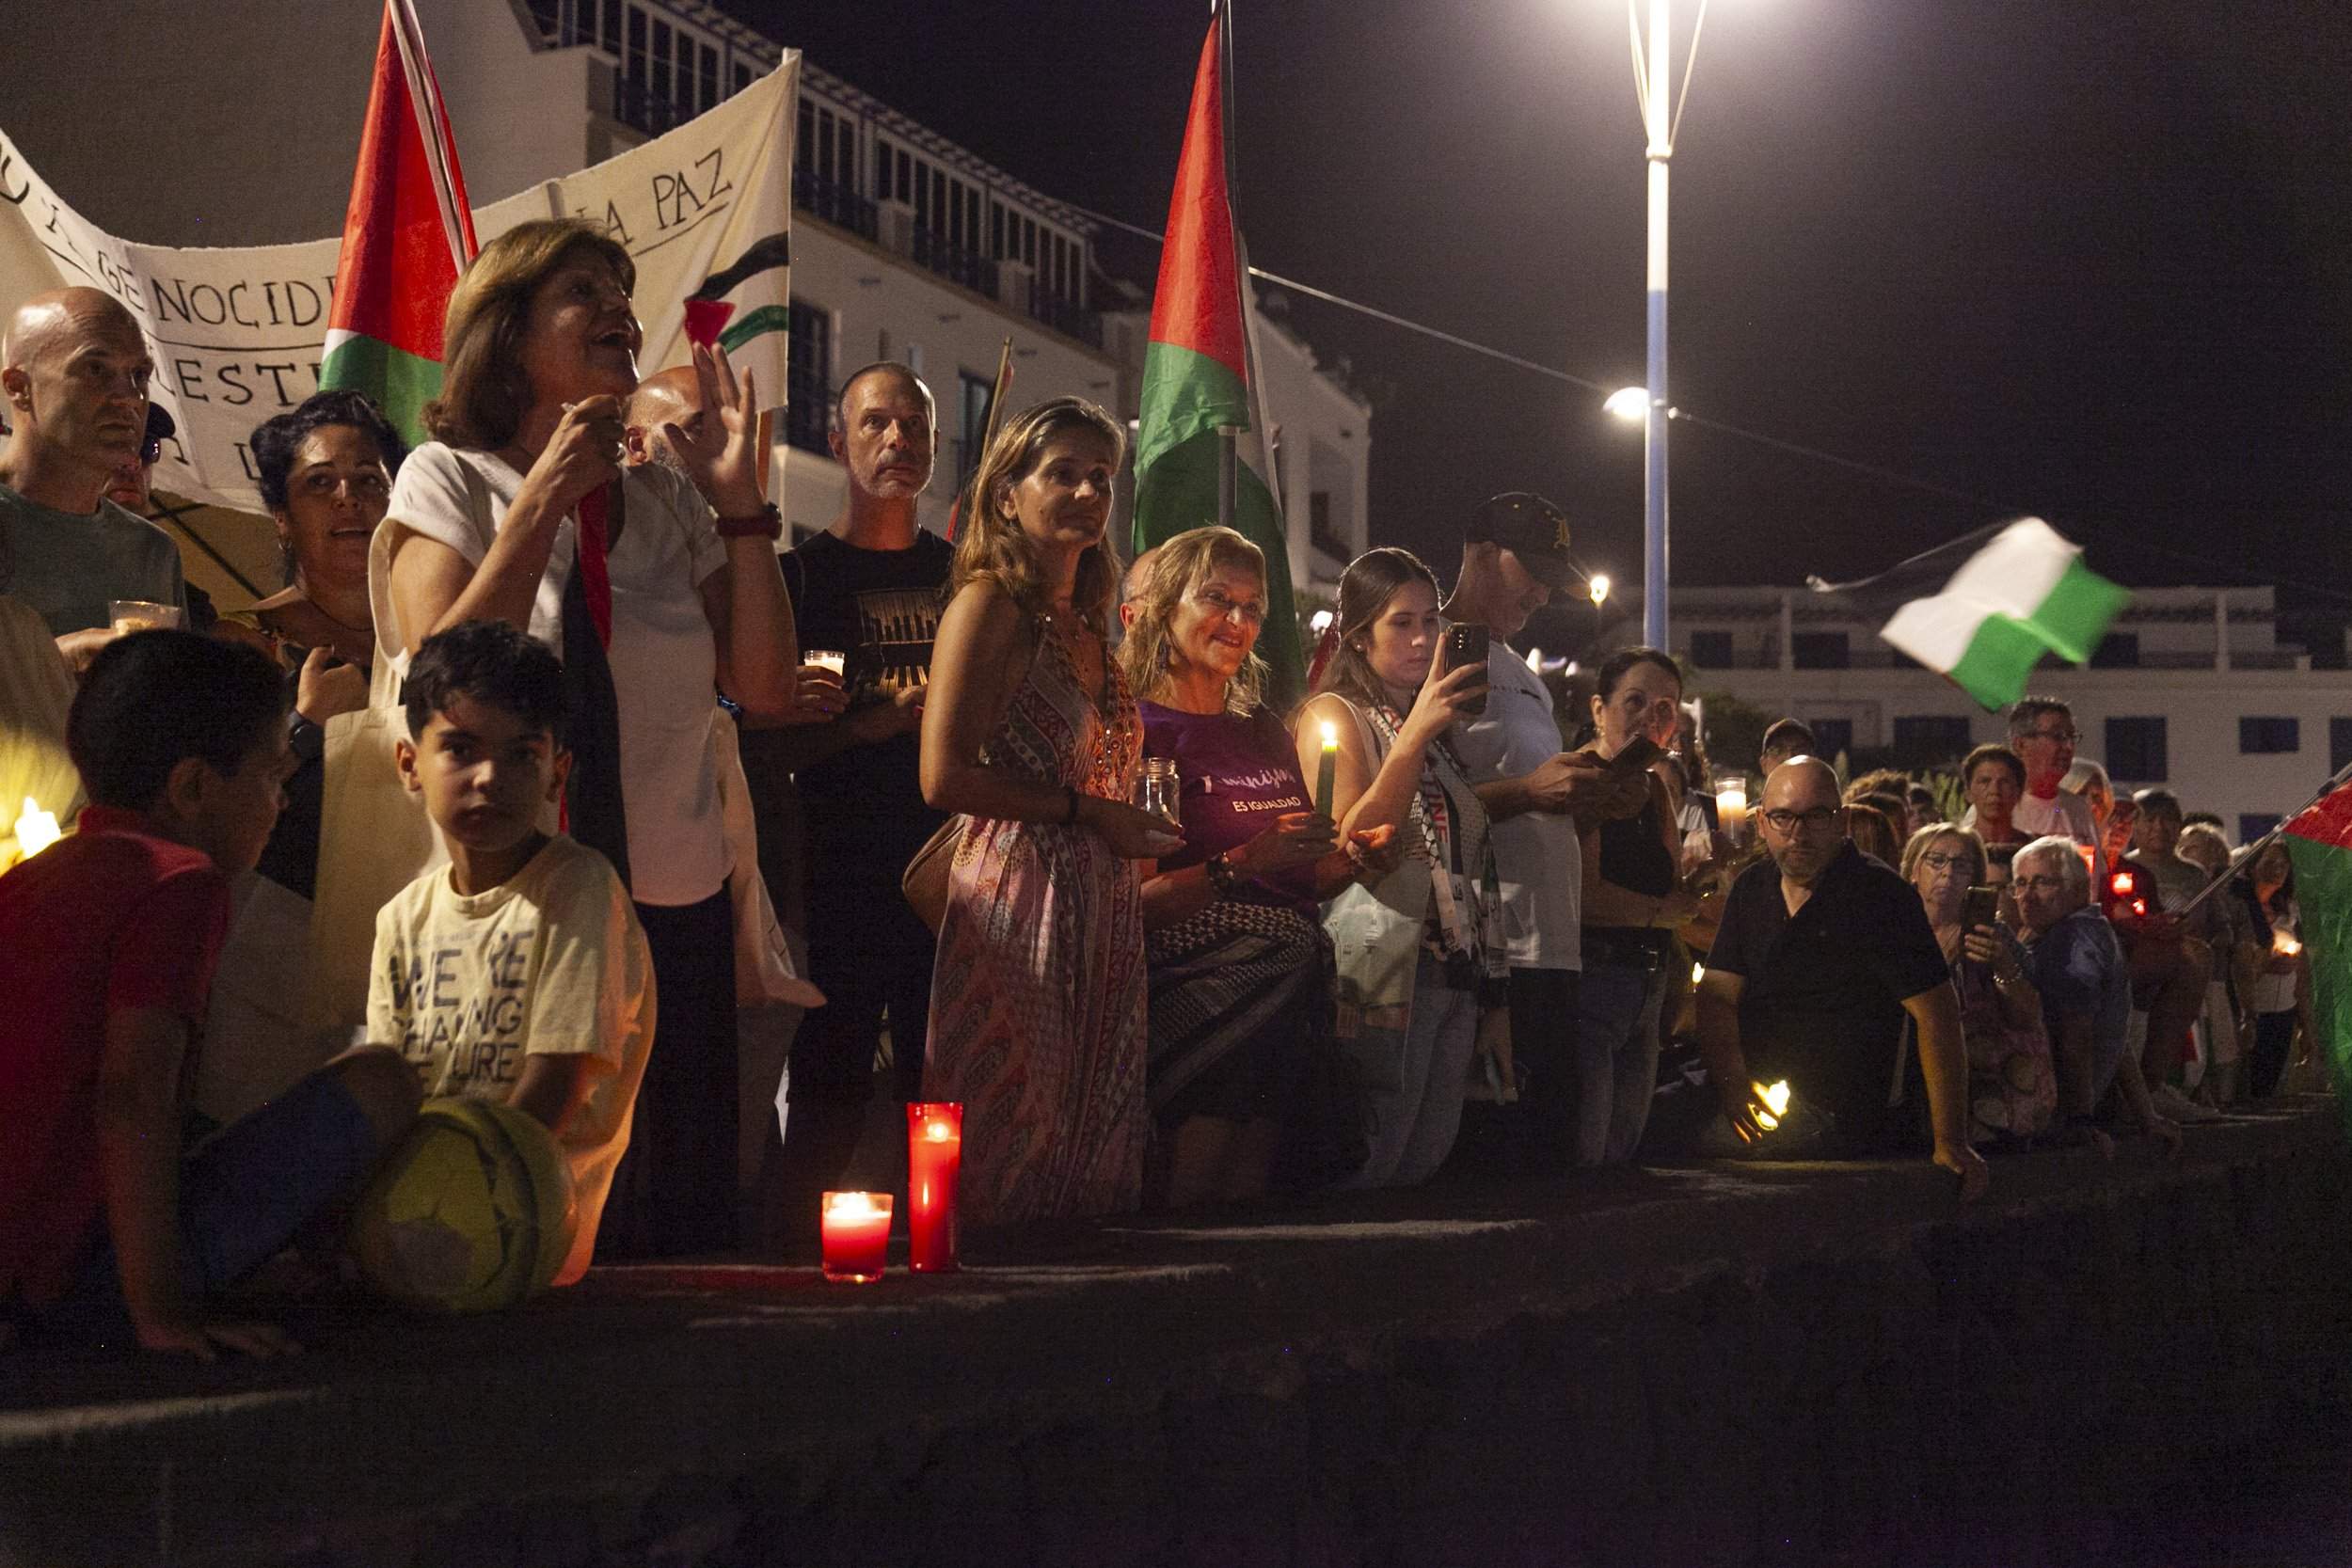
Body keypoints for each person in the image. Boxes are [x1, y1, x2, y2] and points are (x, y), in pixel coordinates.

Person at [377, 217, 795, 1257]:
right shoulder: (447, 477)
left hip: (672, 890)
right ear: (510, 334)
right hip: (533, 900)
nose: (621, 308)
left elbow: (766, 685)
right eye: (583, 290)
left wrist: (739, 507)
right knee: (545, 1194)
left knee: (684, 1201)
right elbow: (450, 675)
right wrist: (542, 500)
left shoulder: (662, 497)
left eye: (623, 286)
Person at [0, 631, 418, 1356]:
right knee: (382, 1080)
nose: (281, 802)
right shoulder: (178, 883)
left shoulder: (32, 877)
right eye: (270, 776)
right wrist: (161, 1314)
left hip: (20, 1270)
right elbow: (133, 1095)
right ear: (194, 788)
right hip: (68, 1287)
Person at [920, 397, 1175, 1223]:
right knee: (1017, 1127)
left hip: (1101, 902)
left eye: (1100, 477)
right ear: (1006, 494)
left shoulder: (1093, 628)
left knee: (1092, 1129)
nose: (1086, 492)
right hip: (1018, 894)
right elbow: (943, 776)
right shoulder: (989, 604)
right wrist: (1083, 811)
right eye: (1060, 473)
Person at [369, 621, 654, 1286]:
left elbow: (557, 1081)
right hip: (417, 1216)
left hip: (524, 1231)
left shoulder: (578, 887)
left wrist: (438, 1197)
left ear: (558, 773)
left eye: (520, 754)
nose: (489, 777)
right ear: (410, 763)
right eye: (461, 749)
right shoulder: (401, 919)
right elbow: (390, 1090)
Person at [1122, 526, 1400, 1204]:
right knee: (1193, 1195)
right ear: (1164, 606)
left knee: (1256, 1202)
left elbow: (1300, 880)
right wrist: (1245, 859)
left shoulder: (1263, 731)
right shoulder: (1135, 729)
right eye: (1216, 597)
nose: (1238, 620)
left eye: (1252, 606)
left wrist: (1355, 861)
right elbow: (1133, 903)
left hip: (1288, 1011)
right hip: (1202, 1005)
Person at [749, 362, 953, 1217]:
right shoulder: (799, 582)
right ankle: (796, 1250)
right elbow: (757, 735)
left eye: (913, 425)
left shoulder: (964, 579)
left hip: (949, 872)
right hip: (839, 871)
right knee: (828, 1075)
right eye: (875, 424)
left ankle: (940, 1253)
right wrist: (856, 727)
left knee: (937, 1076)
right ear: (838, 442)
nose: (896, 440)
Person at [1440, 493, 1630, 1173]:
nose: (1544, 593)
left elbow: (1531, 794)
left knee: (1551, 1160)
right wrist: (1528, 790)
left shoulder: (1521, 671)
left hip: (1553, 944)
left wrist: (1586, 796)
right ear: (1482, 553)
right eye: (1535, 571)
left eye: (1555, 577)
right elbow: (1420, 804)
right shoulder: (1430, 649)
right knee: (1496, 1164)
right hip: (1494, 951)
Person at [1297, 546, 1499, 1188]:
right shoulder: (1339, 715)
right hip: (1375, 951)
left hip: (1450, 963)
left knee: (1424, 1155)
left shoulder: (1435, 731)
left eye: (1431, 622)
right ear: (1358, 636)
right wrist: (1413, 736)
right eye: (1400, 623)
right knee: (1370, 1145)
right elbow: (1354, 840)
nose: (1422, 639)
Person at [1695, 759, 1989, 1196]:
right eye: (1783, 817)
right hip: (1749, 1088)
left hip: (1832, 1109)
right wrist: (1732, 1082)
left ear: (1843, 820)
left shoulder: (1879, 896)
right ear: (1761, 822)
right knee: (1641, 1123)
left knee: (1678, 1140)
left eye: (1817, 816)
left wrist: (1951, 1141)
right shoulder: (1752, 888)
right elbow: (1717, 994)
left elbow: (1937, 1013)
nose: (1799, 833)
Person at [238, 391, 408, 900]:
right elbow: (207, 812)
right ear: (282, 517)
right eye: (318, 482)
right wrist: (305, 727)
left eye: (369, 481)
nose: (347, 497)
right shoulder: (241, 646)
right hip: (278, 933)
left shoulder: (430, 639)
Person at [0, 288, 186, 660]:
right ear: (19, 388)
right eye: (95, 369)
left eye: (139, 375)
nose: (128, 398)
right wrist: (56, 663)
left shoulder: (152, 551)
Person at [1573, 648, 1704, 1166]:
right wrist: (1662, 912)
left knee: (1623, 1147)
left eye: (1666, 707)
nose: (1652, 717)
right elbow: (1584, 896)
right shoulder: (1579, 778)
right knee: (1587, 1147)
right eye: (1636, 701)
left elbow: (1673, 890)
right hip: (1594, 980)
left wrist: (1713, 872)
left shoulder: (1653, 789)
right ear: (1599, 709)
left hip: (1647, 989)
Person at [2010, 836, 2180, 1152]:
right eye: (2020, 883)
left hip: (2050, 1114)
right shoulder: (2076, 931)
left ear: (2078, 890)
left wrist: (2079, 1120)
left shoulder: (2075, 941)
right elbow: (2115, 1035)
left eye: (2042, 883)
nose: (2026, 896)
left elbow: (2079, 1035)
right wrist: (2147, 1116)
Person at [1900, 822, 2053, 1144]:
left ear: (1974, 878)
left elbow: (2029, 1016)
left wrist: (2002, 966)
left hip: (1984, 1079)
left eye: (1961, 864)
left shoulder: (1992, 933)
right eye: (1936, 860)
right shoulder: (1896, 933)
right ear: (1914, 870)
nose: (1948, 872)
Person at [2122, 787, 2221, 1101]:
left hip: (2185, 967)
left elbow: (2214, 923)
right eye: (2149, 820)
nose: (2158, 828)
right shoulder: (2123, 869)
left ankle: (2164, 1087)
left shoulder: (2195, 876)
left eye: (2167, 820)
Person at [2231, 841, 2314, 1099]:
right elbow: (2239, 968)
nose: (2277, 870)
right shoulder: (2240, 908)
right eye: (2269, 863)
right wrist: (2268, 960)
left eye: (2283, 865)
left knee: (2271, 1083)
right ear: (2253, 867)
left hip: (2283, 1009)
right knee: (2243, 1082)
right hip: (2250, 1008)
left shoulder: (2289, 911)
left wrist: (2307, 1027)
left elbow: (2302, 975)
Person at [2002, 698, 2106, 879]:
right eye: (2058, 736)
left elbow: (2099, 881)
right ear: (2020, 744)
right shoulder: (1997, 808)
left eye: (2072, 737)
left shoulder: (2078, 809)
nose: (2069, 747)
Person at [1959, 743, 2028, 850]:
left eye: (2004, 782)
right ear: (1968, 793)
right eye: (1984, 782)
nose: (1994, 791)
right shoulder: (1955, 848)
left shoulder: (2033, 850)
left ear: (2018, 792)